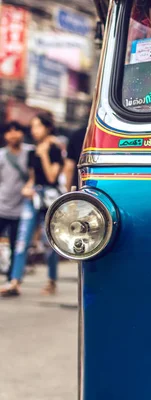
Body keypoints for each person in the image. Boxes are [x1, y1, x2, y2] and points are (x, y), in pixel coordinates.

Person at [0, 113, 64, 297]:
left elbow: (52, 177)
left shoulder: (54, 149)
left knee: (50, 244)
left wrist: (44, 155)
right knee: (21, 241)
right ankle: (14, 281)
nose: (35, 131)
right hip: (32, 199)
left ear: (48, 128)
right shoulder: (31, 150)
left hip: (49, 200)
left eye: (38, 127)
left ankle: (51, 280)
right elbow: (32, 177)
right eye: (33, 127)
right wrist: (27, 187)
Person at [0, 122, 34, 281]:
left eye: (17, 131)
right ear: (5, 135)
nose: (13, 135)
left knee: (16, 246)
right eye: (9, 131)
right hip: (1, 206)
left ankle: (11, 278)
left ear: (23, 133)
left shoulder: (30, 153)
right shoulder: (1, 155)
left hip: (21, 209)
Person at [64, 127, 86, 191]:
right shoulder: (108, 134)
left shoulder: (77, 135)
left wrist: (68, 190)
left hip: (79, 187)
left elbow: (69, 167)